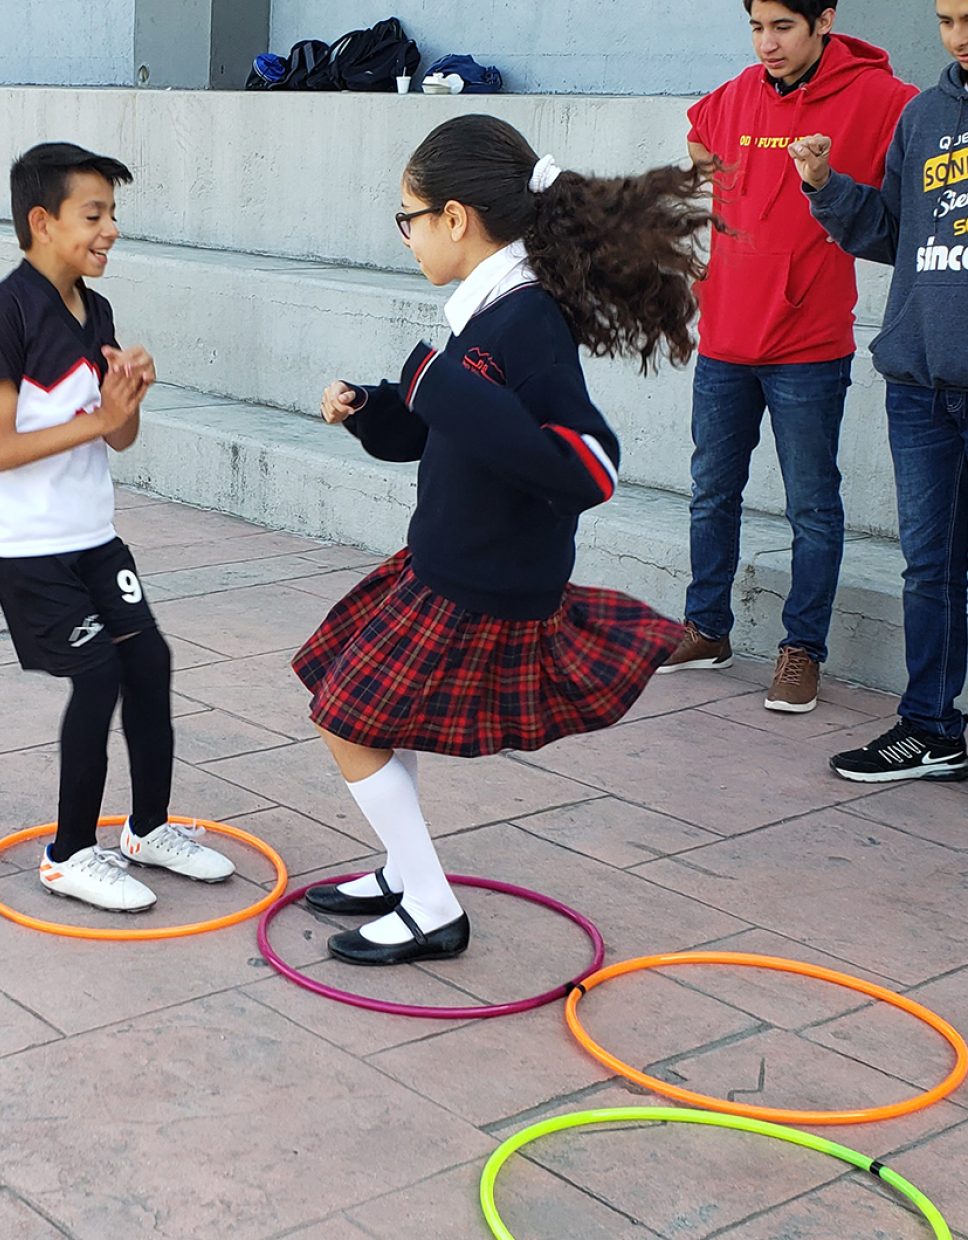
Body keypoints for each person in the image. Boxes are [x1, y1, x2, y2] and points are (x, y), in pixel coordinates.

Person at [297, 114, 710, 965]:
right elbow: (453, 429)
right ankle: (404, 874)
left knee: (346, 718)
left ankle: (431, 904)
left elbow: (589, 466)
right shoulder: (490, 306)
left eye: (407, 218)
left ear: (455, 218)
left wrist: (438, 385)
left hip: (484, 583)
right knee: (363, 706)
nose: (405, 236)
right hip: (447, 559)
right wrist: (379, 406)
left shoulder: (526, 321)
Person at [0, 141, 235, 912]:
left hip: (91, 532)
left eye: (113, 213)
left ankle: (146, 831)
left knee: (149, 662)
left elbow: (118, 438)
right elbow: (0, 447)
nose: (111, 228)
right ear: (42, 221)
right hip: (22, 542)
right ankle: (68, 852)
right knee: (99, 674)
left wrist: (127, 402)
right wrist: (99, 421)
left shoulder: (97, 307)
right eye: (95, 214)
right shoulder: (1, 312)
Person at [661, 0, 917, 713]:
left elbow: (927, 146)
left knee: (812, 506)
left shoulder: (877, 97)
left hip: (807, 346)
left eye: (783, 27)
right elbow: (698, 136)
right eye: (756, 27)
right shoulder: (739, 93)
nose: (767, 43)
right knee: (712, 491)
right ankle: (707, 629)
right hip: (724, 343)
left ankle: (801, 650)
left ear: (824, 21)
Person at [790, 0, 968, 782]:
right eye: (948, 20)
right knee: (930, 569)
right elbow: (891, 233)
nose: (959, 37)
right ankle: (931, 725)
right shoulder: (926, 116)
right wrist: (824, 185)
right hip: (922, 387)